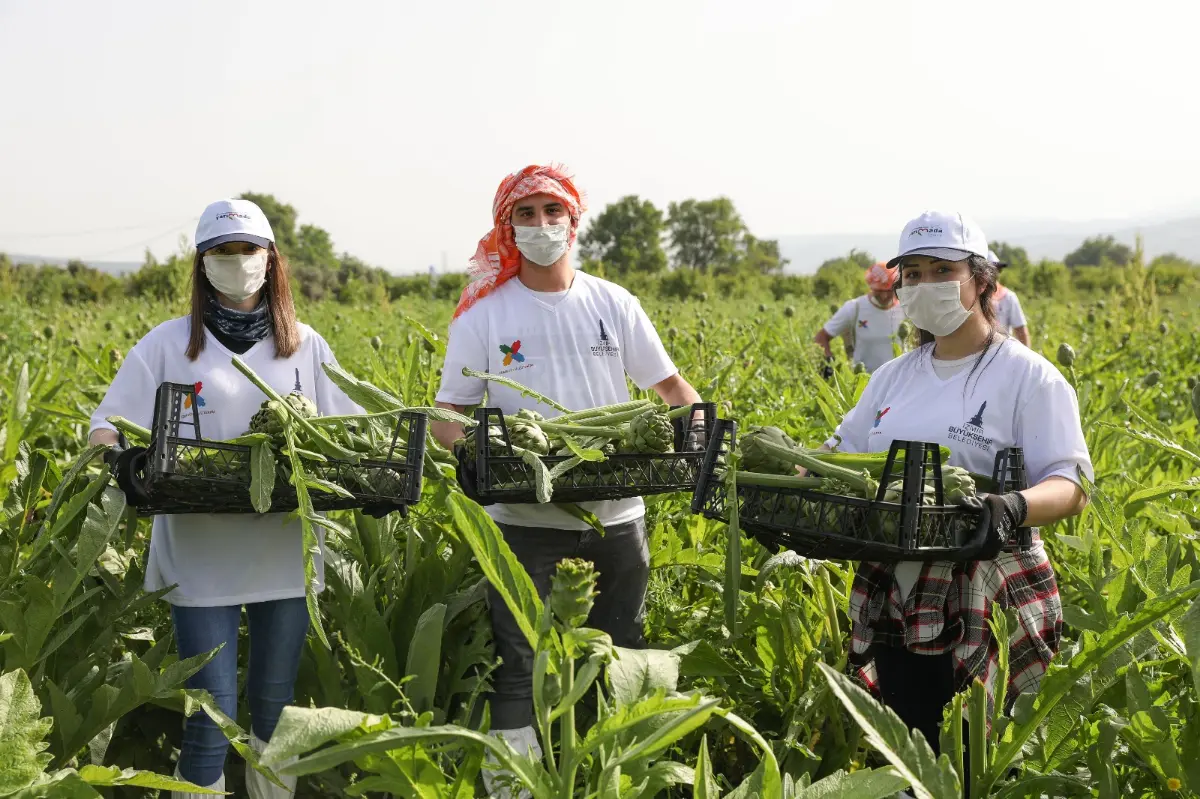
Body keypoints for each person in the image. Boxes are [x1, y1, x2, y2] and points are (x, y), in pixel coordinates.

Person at [431, 164, 703, 794]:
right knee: (518, 663)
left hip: (618, 516)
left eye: (553, 212)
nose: (542, 225)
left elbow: (670, 388)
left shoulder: (612, 302)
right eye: (526, 214)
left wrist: (709, 430)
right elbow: (449, 414)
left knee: (622, 657)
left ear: (574, 223)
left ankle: (611, 780)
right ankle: (514, 786)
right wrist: (484, 449)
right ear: (507, 227)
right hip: (523, 522)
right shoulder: (485, 316)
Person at [88, 199, 361, 799]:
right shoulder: (167, 345)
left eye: (248, 251)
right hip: (201, 557)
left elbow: (350, 429)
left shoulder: (304, 345)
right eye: (222, 252)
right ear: (202, 263)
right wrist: (122, 458)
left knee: (274, 716)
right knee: (208, 725)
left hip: (283, 554)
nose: (237, 263)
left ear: (271, 261)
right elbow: (106, 423)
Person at [824, 211, 1091, 771]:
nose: (924, 285)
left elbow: (1071, 485)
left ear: (980, 280)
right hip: (897, 585)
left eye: (942, 269)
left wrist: (1012, 505)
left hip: (983, 585)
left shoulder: (1029, 377)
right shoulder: (892, 377)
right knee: (906, 753)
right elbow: (836, 453)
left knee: (977, 757)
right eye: (913, 274)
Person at [814, 262, 906, 373]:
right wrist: (828, 361)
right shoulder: (854, 308)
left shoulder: (906, 309)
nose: (884, 296)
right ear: (870, 286)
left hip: (897, 380)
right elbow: (821, 337)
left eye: (889, 291)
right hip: (862, 381)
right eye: (879, 291)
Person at [988, 249, 1030, 346]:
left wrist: (1025, 357)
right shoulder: (973, 297)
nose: (995, 273)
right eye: (990, 269)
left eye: (998, 269)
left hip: (1003, 350)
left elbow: (1020, 330)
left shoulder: (1008, 297)